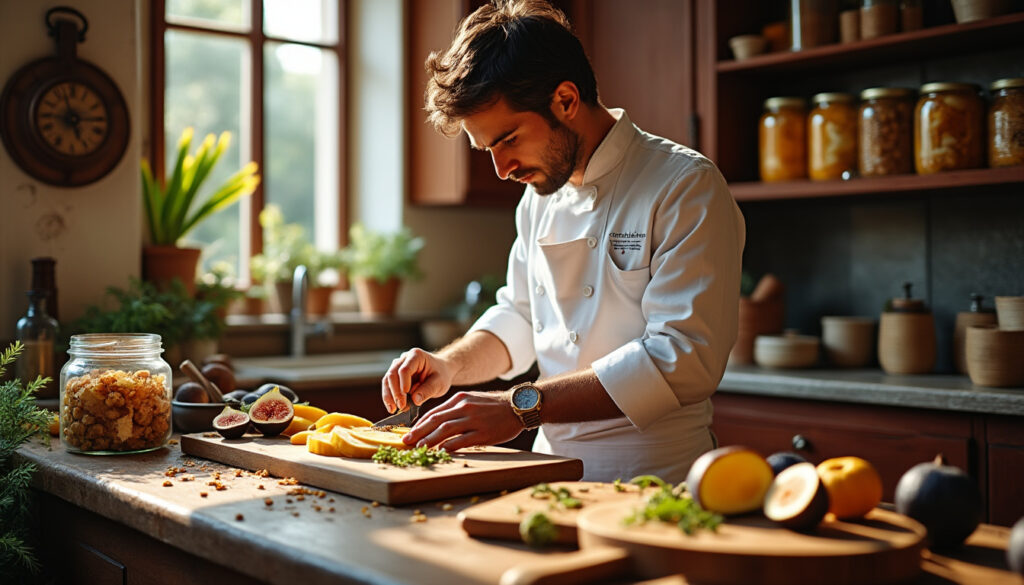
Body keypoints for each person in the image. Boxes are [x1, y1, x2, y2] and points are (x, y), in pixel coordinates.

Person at [381, 0, 745, 483]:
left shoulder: (684, 185)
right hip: (548, 471)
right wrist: (449, 365)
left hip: (655, 476)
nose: (501, 169)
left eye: (508, 139)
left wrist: (520, 406)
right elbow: (521, 315)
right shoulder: (538, 198)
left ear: (566, 100)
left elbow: (682, 359)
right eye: (488, 149)